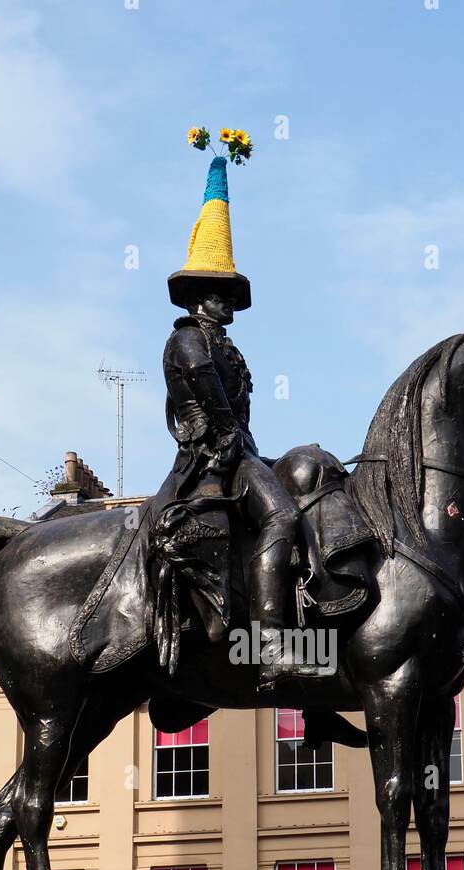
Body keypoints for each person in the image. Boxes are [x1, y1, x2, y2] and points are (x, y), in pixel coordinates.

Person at [162, 137, 317, 688]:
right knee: (281, 516)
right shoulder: (189, 343)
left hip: (239, 452)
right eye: (221, 291)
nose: (229, 301)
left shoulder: (221, 343)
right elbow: (216, 408)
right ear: (200, 294)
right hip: (212, 461)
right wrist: (239, 446)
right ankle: (274, 646)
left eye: (229, 292)